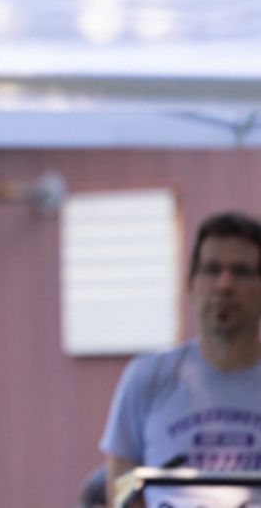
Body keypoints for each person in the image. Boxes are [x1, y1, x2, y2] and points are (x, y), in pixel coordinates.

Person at [99, 211, 261, 504]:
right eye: (212, 269)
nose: (225, 285)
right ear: (191, 283)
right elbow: (120, 488)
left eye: (241, 271)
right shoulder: (148, 378)